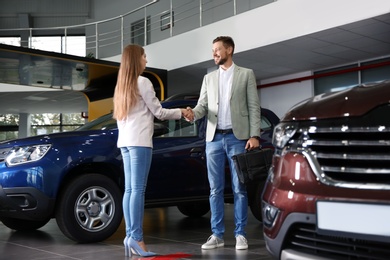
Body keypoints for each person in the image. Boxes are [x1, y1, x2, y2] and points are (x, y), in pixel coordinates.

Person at [113, 44, 191, 257]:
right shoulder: (143, 82)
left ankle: (130, 236)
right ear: (136, 59)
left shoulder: (122, 86)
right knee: (137, 190)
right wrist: (182, 112)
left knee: (129, 190)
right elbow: (159, 112)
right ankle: (137, 239)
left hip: (125, 143)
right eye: (144, 56)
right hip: (140, 142)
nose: (146, 60)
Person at [185, 36, 261, 250]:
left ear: (229, 50)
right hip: (214, 139)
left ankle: (240, 234)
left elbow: (254, 107)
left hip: (238, 138)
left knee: (239, 188)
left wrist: (254, 135)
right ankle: (217, 235)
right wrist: (192, 114)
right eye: (213, 50)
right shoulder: (208, 78)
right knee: (215, 190)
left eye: (218, 49)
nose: (214, 53)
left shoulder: (246, 74)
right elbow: (202, 106)